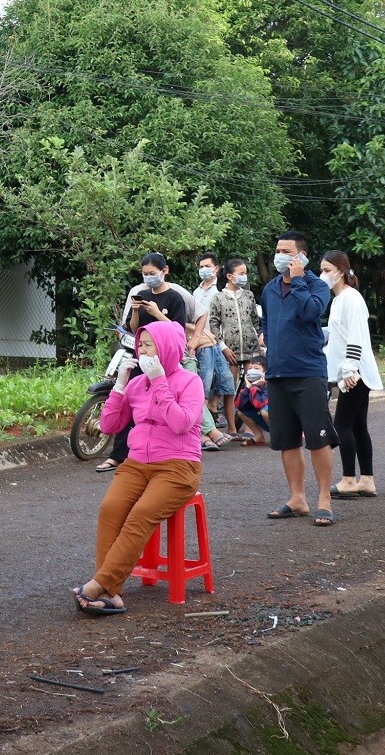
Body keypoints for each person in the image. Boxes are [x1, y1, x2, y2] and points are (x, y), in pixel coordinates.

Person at [73, 320, 204, 614]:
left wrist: (159, 381)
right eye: (140, 346)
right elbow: (109, 425)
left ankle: (99, 585)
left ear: (167, 349)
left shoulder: (190, 382)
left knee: (141, 514)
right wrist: (119, 386)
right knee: (110, 508)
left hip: (178, 466)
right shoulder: (135, 383)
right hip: (136, 464)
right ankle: (111, 593)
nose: (142, 352)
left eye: (149, 346)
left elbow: (182, 423)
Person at [259, 231, 337, 526]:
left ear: (301, 256)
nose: (280, 255)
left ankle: (324, 501)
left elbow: (311, 312)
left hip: (308, 373)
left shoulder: (317, 285)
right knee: (286, 440)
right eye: (278, 250)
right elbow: (266, 321)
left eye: (287, 251)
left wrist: (300, 279)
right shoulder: (270, 288)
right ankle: (297, 498)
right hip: (277, 373)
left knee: (318, 440)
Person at [98, 252, 192, 472]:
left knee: (160, 406)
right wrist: (136, 311)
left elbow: (177, 331)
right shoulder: (141, 293)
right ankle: (117, 455)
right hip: (141, 356)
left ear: (164, 271)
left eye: (152, 273)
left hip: (164, 362)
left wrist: (157, 313)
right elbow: (133, 328)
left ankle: (160, 453)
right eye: (144, 273)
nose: (148, 277)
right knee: (129, 403)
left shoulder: (174, 298)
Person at [320, 251, 384, 499]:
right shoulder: (339, 300)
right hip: (352, 369)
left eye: (327, 270)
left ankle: (348, 480)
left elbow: (356, 336)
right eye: (322, 270)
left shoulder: (351, 298)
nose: (323, 275)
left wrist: (350, 368)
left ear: (342, 272)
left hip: (354, 371)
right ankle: (366, 480)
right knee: (357, 425)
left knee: (342, 424)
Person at [190, 251, 237, 437]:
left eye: (207, 266)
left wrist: (222, 343)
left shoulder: (221, 292)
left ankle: (216, 414)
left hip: (217, 341)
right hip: (200, 341)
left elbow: (223, 321)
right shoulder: (196, 291)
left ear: (216, 268)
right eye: (201, 267)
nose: (204, 270)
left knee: (223, 380)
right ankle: (207, 418)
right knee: (204, 380)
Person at [211, 257, 262, 427]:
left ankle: (250, 426)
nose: (244, 276)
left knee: (251, 386)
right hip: (229, 350)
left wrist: (259, 338)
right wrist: (222, 347)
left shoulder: (249, 295)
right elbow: (213, 324)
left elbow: (255, 321)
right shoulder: (218, 298)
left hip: (250, 349)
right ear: (230, 276)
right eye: (241, 273)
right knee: (229, 388)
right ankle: (231, 427)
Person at [233, 356, 270, 444]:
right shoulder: (249, 385)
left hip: (280, 422)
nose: (252, 371)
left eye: (256, 368)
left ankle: (279, 436)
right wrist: (248, 387)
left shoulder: (269, 385)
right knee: (241, 412)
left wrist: (254, 387)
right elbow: (239, 405)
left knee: (264, 411)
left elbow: (259, 403)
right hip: (267, 422)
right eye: (250, 368)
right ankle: (259, 436)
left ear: (265, 372)